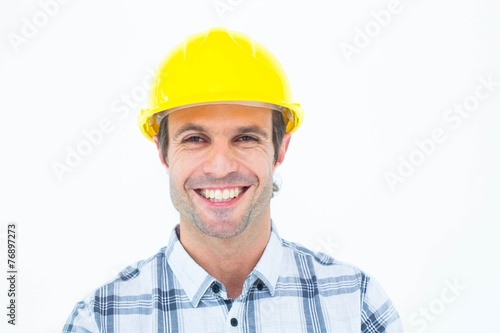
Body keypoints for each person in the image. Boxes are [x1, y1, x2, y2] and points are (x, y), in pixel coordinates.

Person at [63, 27, 403, 333]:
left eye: (245, 138)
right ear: (163, 152)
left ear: (280, 148)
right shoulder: (102, 320)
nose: (221, 166)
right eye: (195, 139)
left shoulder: (356, 306)